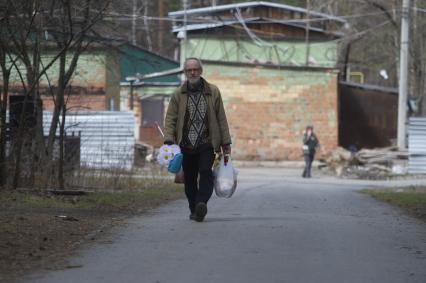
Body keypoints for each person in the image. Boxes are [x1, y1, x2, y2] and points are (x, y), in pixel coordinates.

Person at [164, 57, 232, 222]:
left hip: (206, 142)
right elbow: (170, 118)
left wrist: (226, 143)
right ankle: (194, 209)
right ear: (185, 72)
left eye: (195, 69)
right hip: (185, 144)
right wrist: (169, 139)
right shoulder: (178, 94)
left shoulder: (213, 91)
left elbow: (221, 118)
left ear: (200, 71)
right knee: (190, 178)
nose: (192, 72)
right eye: (189, 70)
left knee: (205, 172)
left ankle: (202, 202)